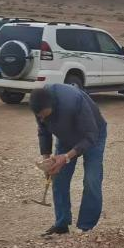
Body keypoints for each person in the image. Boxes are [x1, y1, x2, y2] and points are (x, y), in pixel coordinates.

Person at [30, 83, 108, 236]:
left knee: (91, 179)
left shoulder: (73, 102)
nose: (42, 118)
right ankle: (62, 224)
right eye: (40, 116)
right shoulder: (39, 105)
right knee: (58, 177)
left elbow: (90, 136)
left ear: (53, 106)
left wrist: (65, 157)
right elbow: (44, 131)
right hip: (66, 136)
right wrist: (47, 160)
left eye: (45, 115)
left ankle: (85, 227)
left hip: (93, 135)